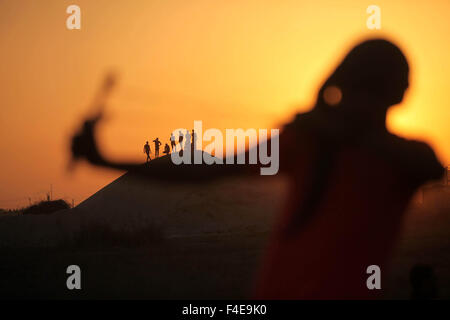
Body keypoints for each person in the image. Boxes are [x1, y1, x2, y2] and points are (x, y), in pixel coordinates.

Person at [70, 38, 444, 299]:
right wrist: (104, 159)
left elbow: (432, 167)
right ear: (403, 91)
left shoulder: (403, 156)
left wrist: (338, 127)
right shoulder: (309, 143)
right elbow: (206, 170)